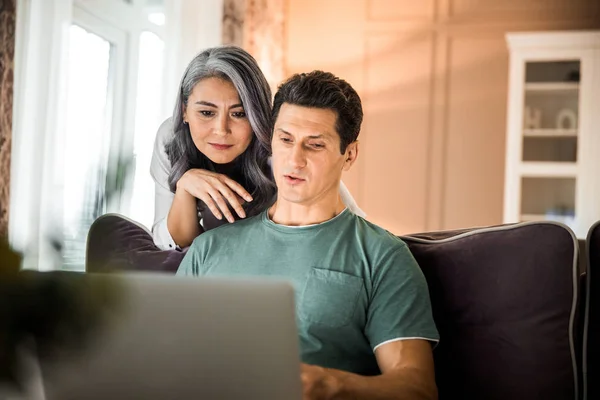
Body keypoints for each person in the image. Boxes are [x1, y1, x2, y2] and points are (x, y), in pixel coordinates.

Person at [177, 71, 439, 399]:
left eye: (314, 145)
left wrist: (332, 384)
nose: (295, 160)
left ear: (349, 155)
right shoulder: (207, 250)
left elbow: (417, 388)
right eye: (285, 140)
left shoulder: (383, 256)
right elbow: (163, 365)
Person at [150, 46, 364, 251]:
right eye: (207, 113)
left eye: (239, 114)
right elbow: (168, 242)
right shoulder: (171, 139)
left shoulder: (279, 147)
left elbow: (350, 221)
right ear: (184, 110)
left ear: (257, 116)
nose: (221, 130)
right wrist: (185, 186)